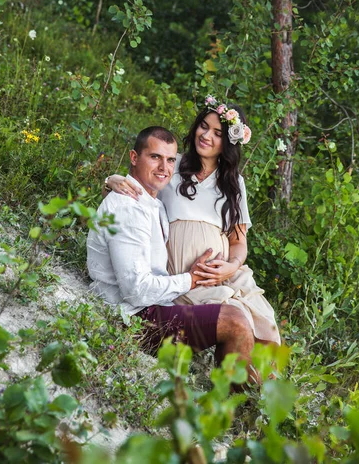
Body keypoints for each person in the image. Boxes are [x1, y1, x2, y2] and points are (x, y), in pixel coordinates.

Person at [105, 98, 281, 346]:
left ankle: (256, 384)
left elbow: (239, 242)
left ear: (229, 142)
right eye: (203, 126)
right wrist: (111, 179)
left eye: (218, 133)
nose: (206, 135)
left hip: (225, 273)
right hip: (182, 275)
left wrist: (232, 265)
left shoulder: (233, 183)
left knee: (264, 330)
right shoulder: (171, 164)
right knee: (234, 320)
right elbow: (135, 187)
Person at [88, 126, 257, 380]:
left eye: (170, 160)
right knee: (235, 322)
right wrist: (191, 279)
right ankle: (231, 409)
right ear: (134, 158)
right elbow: (136, 290)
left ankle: (242, 398)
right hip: (133, 320)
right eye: (154, 157)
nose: (164, 168)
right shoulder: (126, 207)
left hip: (159, 304)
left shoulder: (154, 204)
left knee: (245, 319)